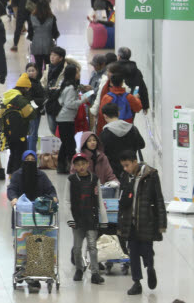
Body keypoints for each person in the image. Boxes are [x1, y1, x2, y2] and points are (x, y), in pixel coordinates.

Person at [117, 151, 166, 295]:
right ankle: (136, 282)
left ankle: (150, 268)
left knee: (147, 250)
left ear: (134, 161)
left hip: (147, 220)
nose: (125, 168)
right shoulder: (125, 177)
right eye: (123, 166)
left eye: (127, 165)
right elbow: (122, 201)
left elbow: (159, 199)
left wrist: (161, 223)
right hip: (129, 221)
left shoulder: (151, 175)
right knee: (133, 253)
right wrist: (120, 224)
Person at [65, 154, 105, 285]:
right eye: (77, 164)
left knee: (92, 246)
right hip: (77, 220)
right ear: (74, 166)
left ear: (88, 164)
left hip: (91, 218)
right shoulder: (71, 180)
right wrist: (70, 218)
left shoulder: (95, 179)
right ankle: (79, 269)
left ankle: (95, 273)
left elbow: (100, 199)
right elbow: (67, 201)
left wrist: (103, 219)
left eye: (83, 163)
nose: (81, 167)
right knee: (77, 248)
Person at [100, 102, 146, 178]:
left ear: (105, 116)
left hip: (114, 172)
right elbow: (142, 145)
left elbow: (103, 153)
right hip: (132, 169)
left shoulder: (104, 134)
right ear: (118, 113)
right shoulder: (132, 128)